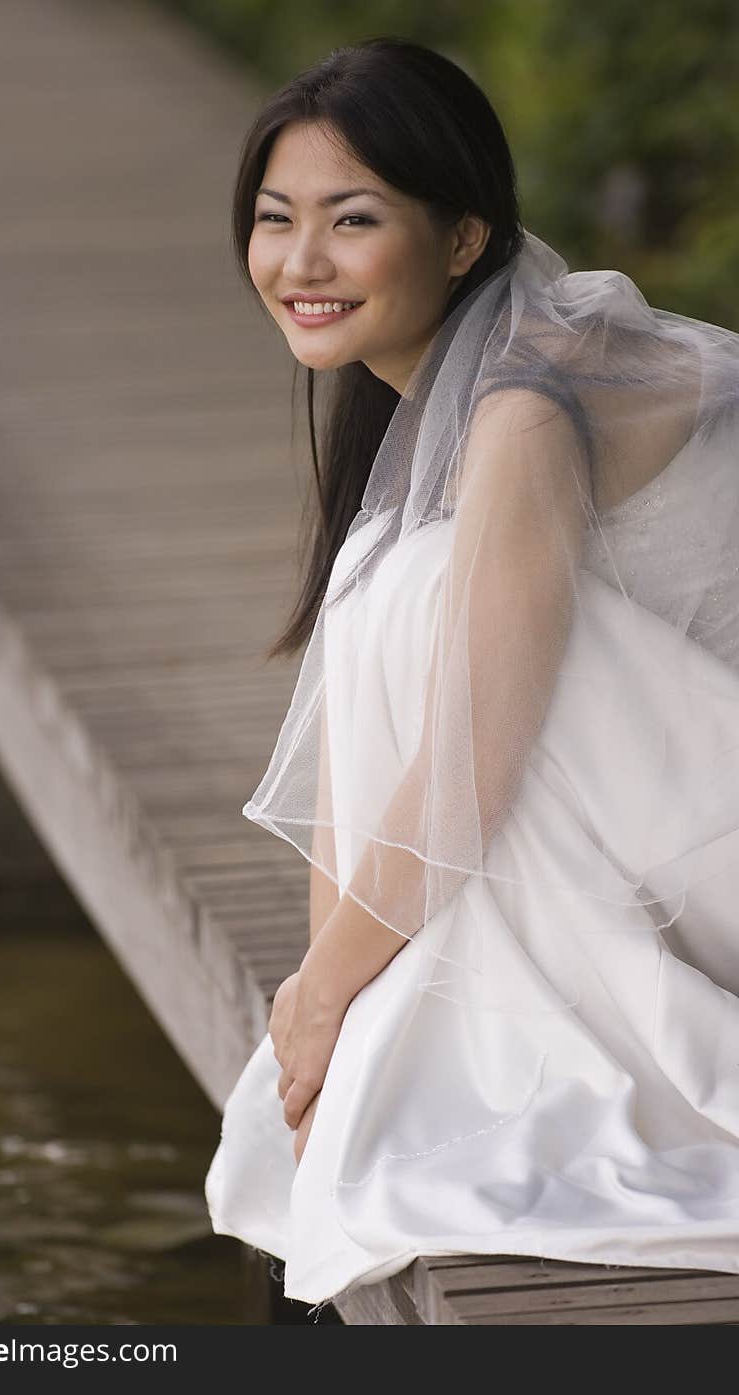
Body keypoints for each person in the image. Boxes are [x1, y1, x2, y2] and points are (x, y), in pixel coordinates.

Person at [204, 36, 739, 1310]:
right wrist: (320, 1000)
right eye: (276, 221)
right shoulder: (439, 402)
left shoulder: (522, 407)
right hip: (678, 809)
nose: (301, 263)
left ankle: (562, 1050)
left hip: (707, 838)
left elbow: (471, 755)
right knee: (396, 585)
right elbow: (386, 715)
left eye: (352, 220)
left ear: (460, 239)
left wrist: (331, 988)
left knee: (419, 590)